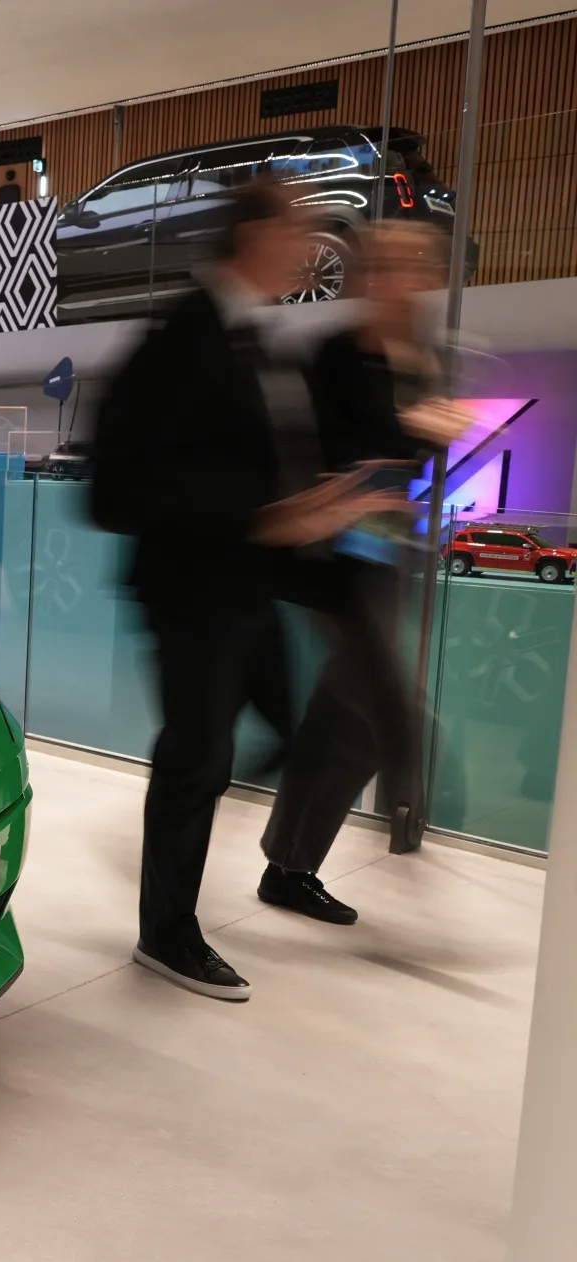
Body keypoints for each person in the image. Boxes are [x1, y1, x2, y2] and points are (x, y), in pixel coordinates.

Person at [90, 180, 398, 1002]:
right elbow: (113, 491)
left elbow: (269, 471)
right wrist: (261, 518)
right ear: (254, 234)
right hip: (192, 593)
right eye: (299, 229)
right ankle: (168, 934)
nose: (310, 246)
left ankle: (248, 844)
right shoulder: (180, 340)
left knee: (280, 739)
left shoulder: (264, 339)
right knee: (199, 760)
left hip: (251, 592)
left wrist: (329, 506)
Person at [255, 220, 466, 923]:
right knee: (386, 715)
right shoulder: (335, 355)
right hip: (335, 560)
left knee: (341, 718)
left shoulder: (424, 357)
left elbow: (417, 468)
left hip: (388, 556)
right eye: (397, 263)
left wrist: (438, 437)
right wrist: (415, 432)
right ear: (372, 274)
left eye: (421, 264)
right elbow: (326, 454)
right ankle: (304, 858)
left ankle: (287, 865)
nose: (411, 276)